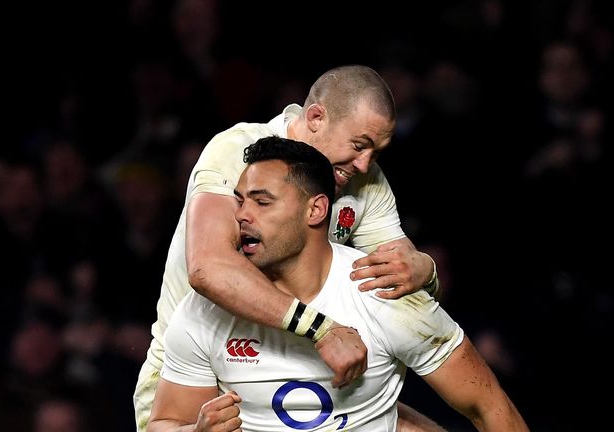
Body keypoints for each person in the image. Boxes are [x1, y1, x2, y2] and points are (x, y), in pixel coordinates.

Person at [134, 65, 442, 430]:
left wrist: (426, 270)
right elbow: (209, 268)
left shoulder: (366, 182)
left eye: (376, 152)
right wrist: (322, 329)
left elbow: (399, 273)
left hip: (301, 374)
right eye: (358, 145)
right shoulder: (239, 150)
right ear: (315, 117)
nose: (364, 164)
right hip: (195, 381)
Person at [148, 136, 529, 431]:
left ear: (316, 210)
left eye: (262, 203)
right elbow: (164, 423)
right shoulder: (205, 309)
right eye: (240, 201)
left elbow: (489, 406)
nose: (242, 215)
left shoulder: (380, 293)